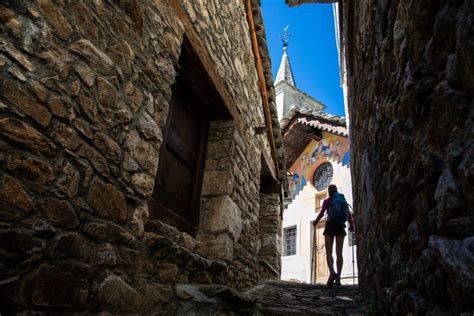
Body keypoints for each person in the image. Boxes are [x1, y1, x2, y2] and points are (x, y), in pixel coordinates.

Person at [313, 184, 354, 287]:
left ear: (329, 192)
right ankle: (338, 278)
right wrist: (351, 225)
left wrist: (315, 222)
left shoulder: (327, 201)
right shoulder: (342, 200)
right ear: (336, 191)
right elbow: (348, 213)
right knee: (339, 253)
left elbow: (322, 213)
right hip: (340, 226)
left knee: (329, 252)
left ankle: (332, 272)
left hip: (330, 226)